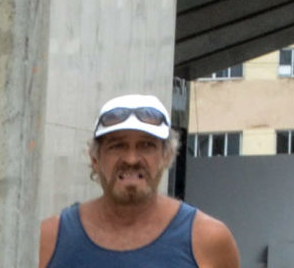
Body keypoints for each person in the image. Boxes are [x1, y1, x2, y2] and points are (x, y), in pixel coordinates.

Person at [40, 95, 240, 266]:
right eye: (117, 146)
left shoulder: (207, 240)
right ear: (95, 159)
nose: (131, 159)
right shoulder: (49, 239)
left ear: (166, 156)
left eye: (146, 145)